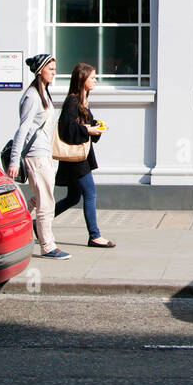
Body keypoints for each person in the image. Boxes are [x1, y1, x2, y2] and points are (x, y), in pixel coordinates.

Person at [8, 54, 69, 260]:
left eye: (54, 69)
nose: (54, 73)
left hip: (43, 155)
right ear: (40, 70)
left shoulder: (43, 94)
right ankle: (48, 246)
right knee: (46, 203)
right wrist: (14, 160)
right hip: (35, 155)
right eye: (50, 69)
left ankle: (14, 220)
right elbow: (23, 129)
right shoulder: (32, 96)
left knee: (42, 197)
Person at [54, 62, 114, 249]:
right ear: (82, 79)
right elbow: (67, 129)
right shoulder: (72, 101)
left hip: (78, 157)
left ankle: (37, 224)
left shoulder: (82, 100)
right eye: (92, 77)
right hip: (76, 159)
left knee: (73, 198)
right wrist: (89, 130)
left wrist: (96, 125)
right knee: (90, 193)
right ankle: (94, 236)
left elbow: (82, 124)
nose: (95, 81)